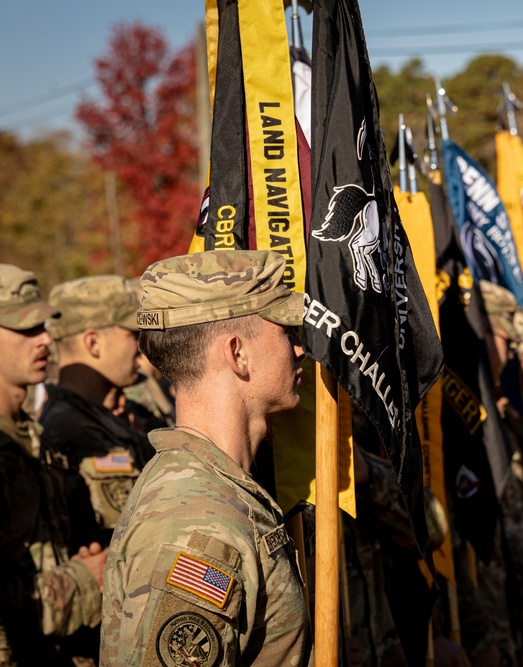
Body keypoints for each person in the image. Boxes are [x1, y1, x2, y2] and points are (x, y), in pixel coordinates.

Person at [100, 250, 312, 665]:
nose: (300, 349)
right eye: (287, 332)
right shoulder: (200, 526)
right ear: (237, 353)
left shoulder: (218, 488)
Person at [0, 263, 105, 665]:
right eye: (25, 328)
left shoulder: (37, 438)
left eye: (43, 326)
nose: (45, 339)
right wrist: (83, 580)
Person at [40, 275, 155, 548]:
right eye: (132, 335)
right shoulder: (68, 432)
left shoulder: (109, 419)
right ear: (93, 343)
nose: (141, 348)